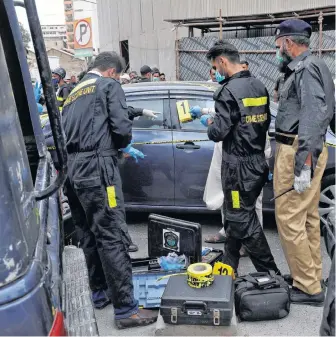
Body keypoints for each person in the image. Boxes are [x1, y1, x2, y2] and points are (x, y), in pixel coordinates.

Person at [61, 51, 158, 329]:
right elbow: (119, 125)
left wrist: (138, 111)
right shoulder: (110, 85)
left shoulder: (74, 92)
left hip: (73, 170)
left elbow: (98, 115)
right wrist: (123, 143)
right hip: (98, 169)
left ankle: (99, 292)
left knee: (87, 232)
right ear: (113, 72)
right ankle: (127, 309)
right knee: (111, 233)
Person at [202, 40, 280, 275]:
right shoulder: (259, 86)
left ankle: (270, 274)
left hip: (237, 169)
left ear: (222, 61)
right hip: (256, 163)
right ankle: (228, 269)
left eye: (216, 67)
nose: (216, 72)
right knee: (237, 219)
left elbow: (218, 133)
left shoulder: (226, 92)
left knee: (241, 220)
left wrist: (209, 124)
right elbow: (263, 123)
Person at [274, 19, 335, 306]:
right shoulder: (311, 66)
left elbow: (313, 117)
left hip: (299, 150)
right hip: (305, 148)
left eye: (278, 43)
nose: (276, 48)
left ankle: (308, 287)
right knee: (308, 218)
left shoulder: (307, 69)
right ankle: (310, 277)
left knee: (289, 218)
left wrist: (303, 164)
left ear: (288, 42)